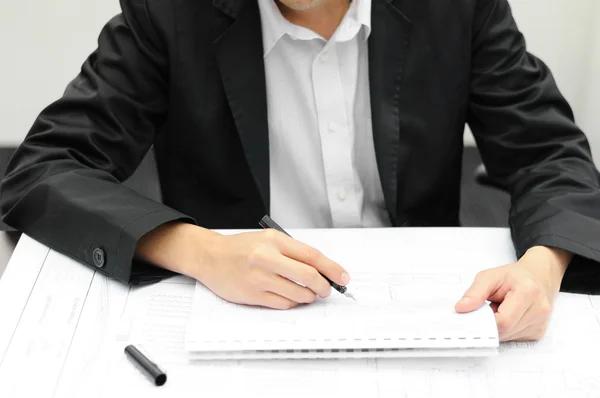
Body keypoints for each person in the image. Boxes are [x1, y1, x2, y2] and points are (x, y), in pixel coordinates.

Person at [1, 0, 599, 343]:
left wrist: (544, 266)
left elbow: (548, 152)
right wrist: (201, 251)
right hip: (239, 315)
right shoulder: (172, 11)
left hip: (428, 310)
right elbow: (42, 171)